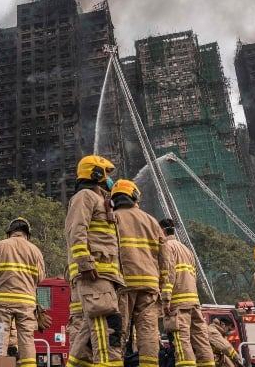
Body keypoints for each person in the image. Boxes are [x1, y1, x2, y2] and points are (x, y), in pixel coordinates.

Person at [64, 155, 124, 366]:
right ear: (95, 173)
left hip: (105, 275)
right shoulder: (85, 196)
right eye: (106, 174)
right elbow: (76, 230)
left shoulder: (101, 200)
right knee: (106, 328)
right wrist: (85, 263)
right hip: (95, 273)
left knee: (88, 335)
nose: (110, 180)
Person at [111, 179, 166, 367]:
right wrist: (164, 286)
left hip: (122, 285)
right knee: (148, 333)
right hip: (150, 286)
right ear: (135, 196)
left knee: (118, 332)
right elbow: (164, 259)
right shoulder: (151, 221)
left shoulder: (111, 219)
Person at [0, 217, 46, 366]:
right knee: (26, 340)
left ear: (10, 232)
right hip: (26, 302)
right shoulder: (35, 250)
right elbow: (40, 277)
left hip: (3, 301)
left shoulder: (0, 246)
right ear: (28, 234)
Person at [159, 218, 215, 367]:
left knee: (181, 342)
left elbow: (168, 274)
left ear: (162, 231)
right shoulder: (187, 250)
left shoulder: (167, 247)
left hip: (178, 304)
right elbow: (194, 277)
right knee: (201, 341)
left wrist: (165, 299)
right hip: (194, 303)